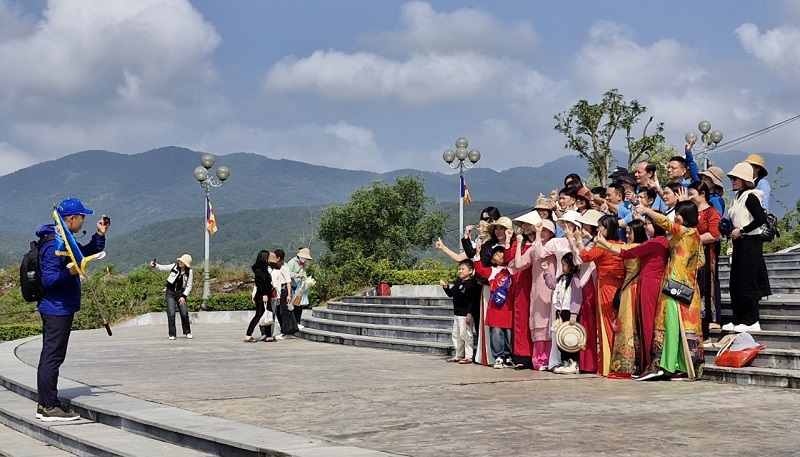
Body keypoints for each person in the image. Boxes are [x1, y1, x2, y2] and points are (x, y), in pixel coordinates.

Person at [36, 197, 108, 421]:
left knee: (53, 355)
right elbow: (48, 280)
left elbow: (81, 254)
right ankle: (48, 406)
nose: (84, 221)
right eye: (82, 217)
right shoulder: (53, 244)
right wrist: (73, 272)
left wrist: (100, 235)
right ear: (71, 219)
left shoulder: (64, 239)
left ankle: (46, 403)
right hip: (55, 307)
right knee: (52, 357)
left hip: (61, 306)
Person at [636, 201, 705, 380]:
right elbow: (701, 261)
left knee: (676, 324)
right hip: (678, 284)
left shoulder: (689, 233)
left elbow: (666, 223)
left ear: (687, 216)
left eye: (679, 214)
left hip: (678, 286)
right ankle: (673, 365)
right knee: (672, 325)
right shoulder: (687, 237)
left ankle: (677, 365)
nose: (676, 217)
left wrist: (647, 211)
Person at [595, 212, 669, 377]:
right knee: (644, 324)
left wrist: (603, 244)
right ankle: (646, 364)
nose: (645, 227)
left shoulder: (656, 243)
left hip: (650, 284)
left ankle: (652, 365)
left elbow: (626, 253)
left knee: (648, 324)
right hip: (647, 283)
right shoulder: (659, 242)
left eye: (648, 223)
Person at [576, 215, 625, 376]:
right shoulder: (620, 245)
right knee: (616, 324)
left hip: (605, 287)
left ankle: (607, 364)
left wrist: (577, 239)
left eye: (600, 227)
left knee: (606, 325)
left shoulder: (604, 247)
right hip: (619, 287)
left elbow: (584, 256)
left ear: (607, 229)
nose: (598, 230)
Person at [597, 220, 646, 378]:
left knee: (626, 326)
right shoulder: (643, 246)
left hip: (631, 288)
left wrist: (599, 242)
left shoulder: (634, 247)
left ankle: (626, 364)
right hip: (634, 286)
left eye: (629, 232)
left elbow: (620, 250)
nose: (626, 235)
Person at [724, 162, 770, 333]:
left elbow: (760, 219)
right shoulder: (738, 197)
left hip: (751, 242)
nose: (732, 181)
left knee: (747, 283)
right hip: (739, 243)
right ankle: (738, 318)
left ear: (744, 179)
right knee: (736, 282)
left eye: (735, 178)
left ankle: (751, 319)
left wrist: (742, 230)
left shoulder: (751, 196)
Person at [689, 182, 722, 340]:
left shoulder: (711, 212)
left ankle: (705, 328)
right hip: (691, 256)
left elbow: (714, 234)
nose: (690, 197)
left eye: (692, 194)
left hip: (706, 255)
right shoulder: (692, 211)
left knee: (704, 290)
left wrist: (692, 240)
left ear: (702, 194)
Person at [473, 245, 513, 368]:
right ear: (492, 260)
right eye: (496, 254)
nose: (500, 255)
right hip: (496, 308)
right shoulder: (492, 271)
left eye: (501, 252)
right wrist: (477, 255)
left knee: (508, 334)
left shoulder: (512, 268)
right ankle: (499, 357)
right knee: (496, 333)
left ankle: (508, 356)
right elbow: (479, 270)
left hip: (509, 308)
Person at [542, 253, 582, 374]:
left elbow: (577, 297)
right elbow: (552, 284)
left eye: (564, 265)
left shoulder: (575, 280)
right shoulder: (561, 279)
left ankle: (573, 362)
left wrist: (574, 314)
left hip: (569, 313)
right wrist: (546, 271)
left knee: (570, 337)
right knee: (561, 338)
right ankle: (564, 361)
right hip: (560, 312)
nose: (562, 267)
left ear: (571, 266)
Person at [440, 259, 481, 364]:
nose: (460, 271)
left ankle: (468, 356)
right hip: (457, 314)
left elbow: (473, 300)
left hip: (465, 314)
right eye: (459, 269)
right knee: (456, 334)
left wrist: (470, 313)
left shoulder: (472, 284)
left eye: (463, 269)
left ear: (470, 270)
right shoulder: (458, 283)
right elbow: (451, 294)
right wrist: (445, 287)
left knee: (466, 335)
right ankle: (459, 354)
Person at [151, 254, 194, 340]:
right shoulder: (174, 266)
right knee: (171, 313)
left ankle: (187, 332)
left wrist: (184, 296)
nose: (180, 262)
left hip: (181, 293)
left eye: (182, 262)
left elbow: (189, 286)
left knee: (184, 313)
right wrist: (155, 265)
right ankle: (172, 334)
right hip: (170, 292)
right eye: (180, 261)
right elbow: (162, 268)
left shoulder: (189, 272)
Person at [244, 250, 276, 342]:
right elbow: (260, 284)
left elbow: (266, 282)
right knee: (259, 314)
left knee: (268, 314)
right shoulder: (259, 270)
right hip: (262, 296)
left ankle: (268, 335)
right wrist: (264, 294)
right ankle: (248, 334)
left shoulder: (264, 268)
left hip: (267, 294)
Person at [272, 249, 297, 338]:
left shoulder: (284, 267)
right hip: (280, 291)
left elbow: (288, 282)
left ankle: (287, 332)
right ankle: (284, 330)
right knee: (279, 312)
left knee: (284, 312)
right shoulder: (277, 267)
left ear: (278, 258)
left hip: (284, 290)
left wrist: (289, 294)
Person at [287, 247, 312, 328]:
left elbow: (304, 273)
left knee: (299, 304)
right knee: (293, 305)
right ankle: (292, 323)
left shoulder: (303, 264)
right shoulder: (292, 262)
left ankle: (297, 321)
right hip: (292, 286)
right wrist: (297, 275)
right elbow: (288, 274)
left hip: (299, 287)